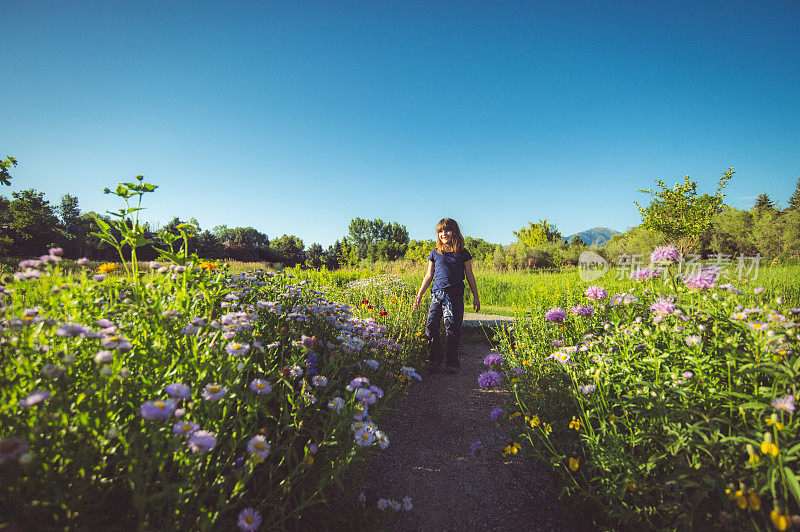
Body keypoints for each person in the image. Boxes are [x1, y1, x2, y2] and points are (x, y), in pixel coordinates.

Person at [413, 218, 480, 375]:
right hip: (437, 295)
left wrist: (476, 296)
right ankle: (436, 358)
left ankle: (452, 362)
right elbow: (429, 275)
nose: (444, 234)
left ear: (454, 232)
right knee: (431, 327)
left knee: (453, 329)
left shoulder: (463, 253)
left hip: (455, 295)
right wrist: (419, 294)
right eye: (440, 231)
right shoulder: (435, 252)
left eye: (447, 230)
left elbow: (470, 275)